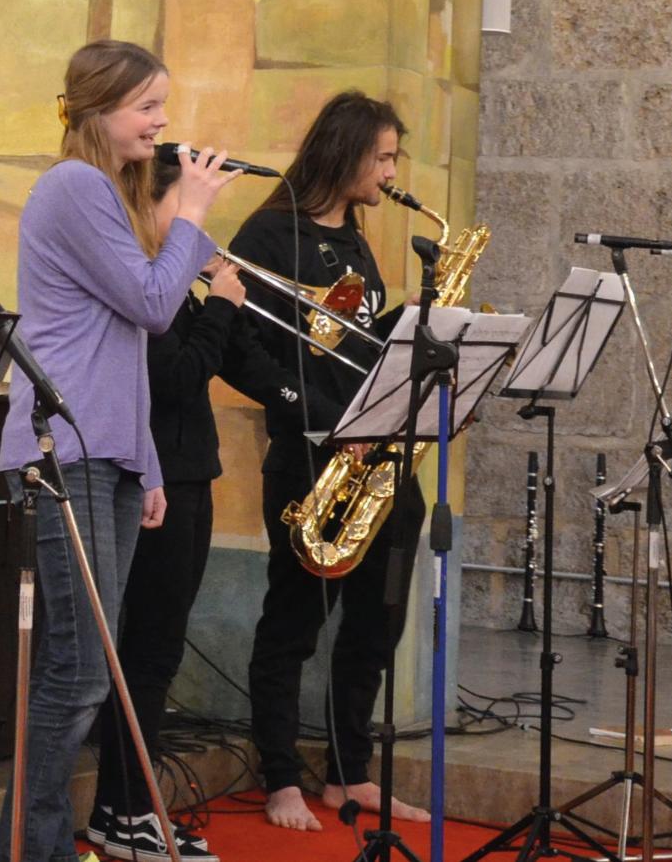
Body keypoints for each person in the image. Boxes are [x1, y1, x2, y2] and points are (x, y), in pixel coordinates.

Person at [0, 40, 237, 862]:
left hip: (108, 451)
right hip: (66, 450)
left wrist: (148, 464)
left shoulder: (111, 193)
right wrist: (193, 209)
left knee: (87, 664)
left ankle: (25, 843)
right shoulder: (74, 186)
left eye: (164, 106)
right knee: (81, 668)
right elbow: (158, 306)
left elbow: (121, 340)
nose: (163, 123)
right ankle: (33, 848)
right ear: (97, 110)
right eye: (148, 108)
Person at [86, 171, 313, 861]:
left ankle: (132, 808)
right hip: (152, 484)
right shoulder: (138, 294)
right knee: (148, 654)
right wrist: (218, 304)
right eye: (182, 207)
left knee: (162, 648)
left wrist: (312, 408)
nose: (196, 223)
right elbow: (177, 377)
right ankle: (121, 812)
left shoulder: (177, 292)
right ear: (146, 212)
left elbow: (238, 363)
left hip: (193, 478)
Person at [232, 91, 427, 832]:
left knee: (377, 624)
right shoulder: (267, 233)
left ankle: (350, 775)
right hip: (312, 457)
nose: (389, 172)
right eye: (382, 157)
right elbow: (237, 342)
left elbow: (346, 336)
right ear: (344, 153)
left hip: (380, 458)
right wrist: (302, 404)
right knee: (293, 621)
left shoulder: (353, 235)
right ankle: (280, 776)